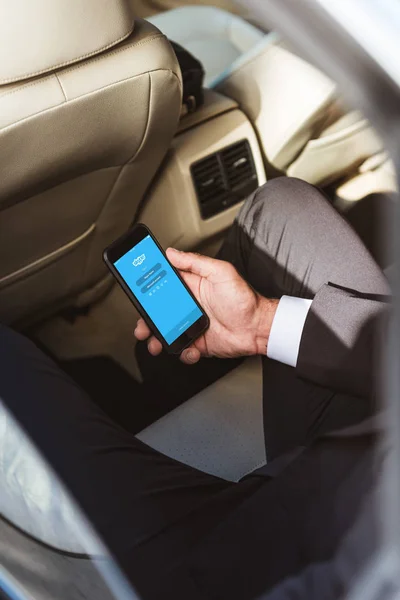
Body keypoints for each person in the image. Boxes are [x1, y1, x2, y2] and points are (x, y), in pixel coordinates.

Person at [0, 177, 390, 599]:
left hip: (260, 563)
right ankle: (163, 381)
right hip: (370, 454)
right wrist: (262, 324)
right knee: (280, 206)